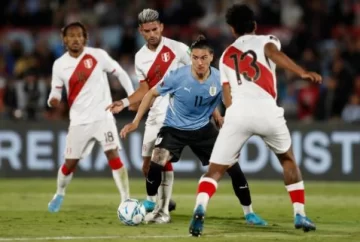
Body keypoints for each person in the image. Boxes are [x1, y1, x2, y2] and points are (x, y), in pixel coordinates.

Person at [189, 4, 322, 237]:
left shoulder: (226, 55)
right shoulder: (266, 40)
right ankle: (299, 213)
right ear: (254, 25)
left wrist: (233, 126)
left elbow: (227, 95)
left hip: (238, 113)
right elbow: (274, 54)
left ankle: (200, 208)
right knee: (288, 160)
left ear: (231, 29)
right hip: (267, 111)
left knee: (215, 171)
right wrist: (301, 72)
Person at [111, 36, 266, 225]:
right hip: (173, 128)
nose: (199, 62)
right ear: (191, 57)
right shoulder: (178, 76)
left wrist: (223, 118)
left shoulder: (220, 79)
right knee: (156, 162)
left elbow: (229, 103)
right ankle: (152, 203)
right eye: (195, 58)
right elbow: (151, 93)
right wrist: (136, 122)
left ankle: (249, 213)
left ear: (211, 57)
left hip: (203, 130)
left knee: (233, 167)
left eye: (203, 58)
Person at [106, 9, 191, 217]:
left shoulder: (178, 49)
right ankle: (164, 201)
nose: (152, 34)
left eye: (155, 29)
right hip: (154, 112)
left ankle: (161, 210)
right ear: (140, 31)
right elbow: (145, 89)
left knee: (160, 159)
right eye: (147, 31)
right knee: (146, 165)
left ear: (161, 26)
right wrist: (124, 102)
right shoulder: (140, 57)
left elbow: (200, 72)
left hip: (174, 112)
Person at [47, 22, 134, 212]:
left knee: (113, 155)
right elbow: (55, 92)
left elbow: (119, 72)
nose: (76, 39)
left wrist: (132, 96)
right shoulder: (59, 65)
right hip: (79, 121)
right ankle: (60, 193)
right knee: (70, 164)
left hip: (104, 117)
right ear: (64, 39)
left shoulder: (97, 55)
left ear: (85, 38)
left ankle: (126, 199)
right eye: (71, 35)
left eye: (79, 35)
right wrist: (52, 100)